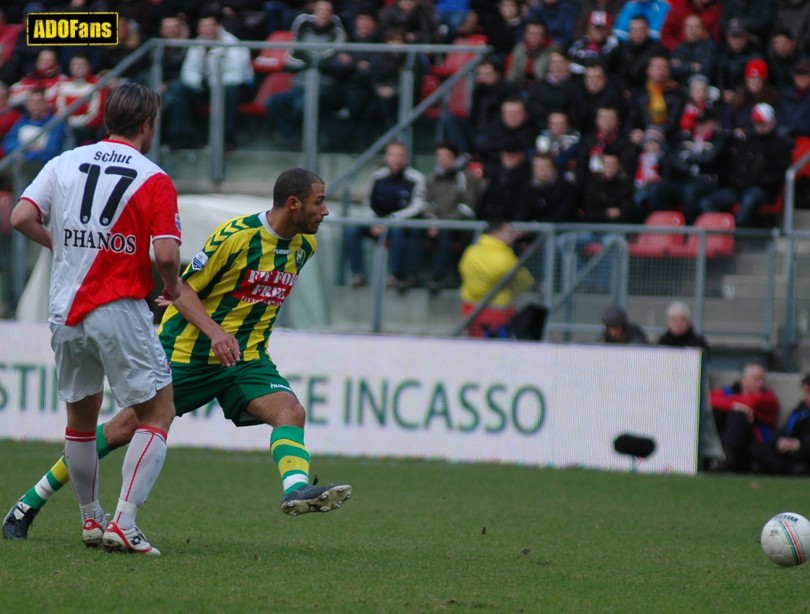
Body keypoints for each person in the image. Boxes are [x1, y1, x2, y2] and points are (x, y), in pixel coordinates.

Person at [3, 166, 352, 542]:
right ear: (293, 203)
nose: (326, 211)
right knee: (123, 429)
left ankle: (296, 490)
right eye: (320, 202)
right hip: (189, 354)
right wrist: (212, 328)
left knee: (290, 411)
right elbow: (184, 289)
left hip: (246, 358)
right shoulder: (235, 237)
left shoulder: (305, 247)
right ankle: (29, 502)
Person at [7, 83, 183, 555]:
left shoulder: (63, 162)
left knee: (80, 423)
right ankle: (124, 522)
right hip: (119, 307)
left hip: (65, 310)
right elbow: (166, 253)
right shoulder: (154, 178)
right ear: (148, 124)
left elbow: (22, 216)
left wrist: (61, 246)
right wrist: (173, 286)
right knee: (157, 411)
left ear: (107, 119)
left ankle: (91, 518)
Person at [167, 8, 254, 150]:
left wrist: (214, 84)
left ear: (218, 26)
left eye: (210, 25)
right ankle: (182, 135)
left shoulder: (232, 43)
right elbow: (189, 70)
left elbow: (238, 74)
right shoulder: (197, 44)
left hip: (234, 87)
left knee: (229, 92)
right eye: (203, 26)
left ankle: (227, 138)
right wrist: (199, 82)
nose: (206, 29)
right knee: (179, 88)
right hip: (207, 87)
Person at [264, 0, 346, 148]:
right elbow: (290, 59)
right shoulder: (304, 30)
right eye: (320, 10)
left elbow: (327, 61)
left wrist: (307, 58)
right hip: (300, 84)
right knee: (272, 102)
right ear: (314, 11)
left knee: (300, 106)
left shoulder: (336, 33)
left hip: (323, 86)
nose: (323, 13)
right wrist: (314, 59)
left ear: (331, 14)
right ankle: (293, 137)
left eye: (327, 11)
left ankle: (304, 141)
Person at [346, 141, 427, 290]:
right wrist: (374, 221)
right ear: (386, 157)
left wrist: (390, 221)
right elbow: (367, 202)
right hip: (377, 222)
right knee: (352, 230)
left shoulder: (416, 178)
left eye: (400, 155)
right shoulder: (377, 177)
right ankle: (358, 274)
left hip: (401, 224)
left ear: (406, 158)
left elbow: (417, 206)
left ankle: (396, 276)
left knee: (398, 232)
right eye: (392, 155)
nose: (396, 159)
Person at [697, 103, 791, 227]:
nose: (758, 126)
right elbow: (734, 164)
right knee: (707, 202)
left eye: (762, 123)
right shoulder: (747, 141)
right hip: (739, 188)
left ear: (772, 122)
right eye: (756, 123)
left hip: (762, 189)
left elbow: (778, 174)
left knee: (750, 199)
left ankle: (737, 235)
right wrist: (735, 179)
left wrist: (756, 180)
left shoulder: (779, 145)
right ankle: (722, 231)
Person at [656, 300, 722, 467]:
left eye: (682, 319)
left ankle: (710, 454)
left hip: (693, 392)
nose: (678, 323)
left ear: (689, 321)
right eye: (674, 319)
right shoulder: (662, 342)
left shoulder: (698, 342)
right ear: (668, 322)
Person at [424, 141, 485, 292]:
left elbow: (469, 207)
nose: (443, 159)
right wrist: (433, 222)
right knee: (410, 232)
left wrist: (445, 223)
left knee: (447, 236)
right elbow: (428, 203)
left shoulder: (466, 177)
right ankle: (405, 277)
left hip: (461, 225)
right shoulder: (432, 178)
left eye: (447, 156)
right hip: (438, 224)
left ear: (455, 157)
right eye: (439, 156)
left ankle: (438, 278)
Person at [459, 219, 535, 338]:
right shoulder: (505, 258)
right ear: (496, 232)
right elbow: (526, 282)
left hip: (470, 311)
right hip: (499, 315)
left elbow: (463, 271)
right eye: (509, 231)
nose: (514, 235)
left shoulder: (470, 252)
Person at [708, 360, 781, 473]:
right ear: (743, 380)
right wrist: (734, 406)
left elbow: (751, 402)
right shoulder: (728, 392)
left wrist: (734, 406)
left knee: (739, 415)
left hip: (754, 445)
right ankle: (714, 455)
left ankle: (726, 456)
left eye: (763, 379)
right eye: (756, 379)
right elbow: (707, 399)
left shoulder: (768, 399)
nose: (761, 383)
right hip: (724, 438)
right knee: (716, 413)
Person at [749, 374, 810, 476]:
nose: (805, 397)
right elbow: (785, 428)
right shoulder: (800, 410)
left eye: (808, 392)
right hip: (789, 451)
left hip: (803, 451)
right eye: (804, 392)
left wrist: (799, 444)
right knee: (757, 449)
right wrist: (780, 440)